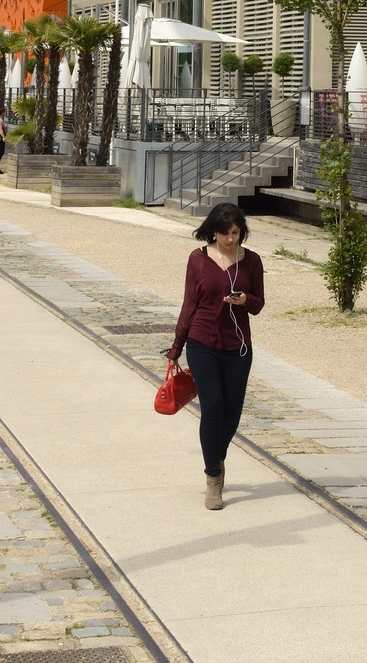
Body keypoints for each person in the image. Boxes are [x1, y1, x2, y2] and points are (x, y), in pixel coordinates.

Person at [163, 201, 264, 510]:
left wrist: (245, 299)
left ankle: (215, 456)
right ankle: (213, 478)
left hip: (238, 346)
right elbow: (189, 304)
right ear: (213, 231)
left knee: (232, 413)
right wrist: (177, 347)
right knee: (213, 406)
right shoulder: (198, 259)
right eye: (224, 233)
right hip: (201, 342)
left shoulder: (252, 261)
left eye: (235, 232)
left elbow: (258, 305)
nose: (230, 239)